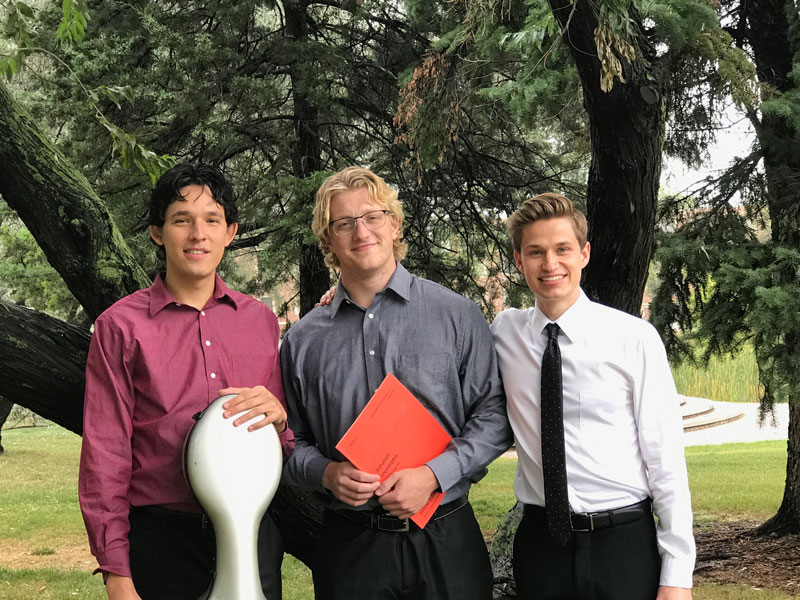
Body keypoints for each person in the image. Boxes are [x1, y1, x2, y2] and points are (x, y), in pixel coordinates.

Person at [280, 166, 512, 600]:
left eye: (373, 216)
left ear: (395, 224)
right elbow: (289, 442)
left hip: (447, 539)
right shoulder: (302, 341)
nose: (361, 231)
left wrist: (434, 474)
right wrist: (326, 473)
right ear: (328, 239)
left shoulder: (456, 315)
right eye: (344, 223)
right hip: (351, 547)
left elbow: (495, 417)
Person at [79, 163, 294, 600]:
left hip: (253, 535)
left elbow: (282, 443)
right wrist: (117, 574)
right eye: (182, 220)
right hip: (162, 544)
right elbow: (105, 455)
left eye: (212, 220)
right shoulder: (119, 328)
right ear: (158, 233)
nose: (198, 235)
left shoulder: (260, 321)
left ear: (230, 232)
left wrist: (280, 421)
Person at [490, 193, 695, 599]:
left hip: (622, 544)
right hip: (541, 546)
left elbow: (666, 461)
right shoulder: (503, 334)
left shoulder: (633, 339)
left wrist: (677, 575)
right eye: (536, 252)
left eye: (562, 249)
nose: (550, 264)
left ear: (584, 254)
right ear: (519, 261)